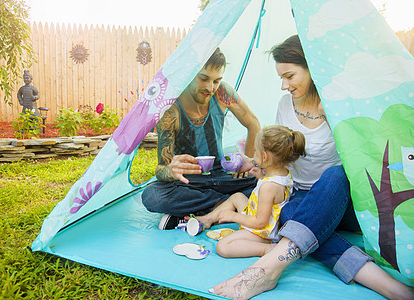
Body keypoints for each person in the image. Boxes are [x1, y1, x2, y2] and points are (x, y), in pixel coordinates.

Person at [209, 35, 414, 300]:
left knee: (336, 174)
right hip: (301, 200)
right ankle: (395, 290)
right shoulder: (285, 106)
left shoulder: (337, 106)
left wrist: (336, 117)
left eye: (290, 76)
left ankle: (270, 266)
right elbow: (283, 155)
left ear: (312, 69)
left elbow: (365, 154)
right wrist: (259, 164)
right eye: (281, 78)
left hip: (345, 200)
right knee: (292, 213)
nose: (284, 85)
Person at [141, 47, 261, 230]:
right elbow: (161, 168)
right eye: (203, 78)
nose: (210, 87)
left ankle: (202, 211)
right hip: (191, 183)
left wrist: (247, 165)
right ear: (189, 74)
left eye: (216, 80)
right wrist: (171, 171)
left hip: (224, 176)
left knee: (265, 181)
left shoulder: (223, 93)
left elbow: (253, 124)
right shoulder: (170, 109)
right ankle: (229, 205)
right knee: (152, 195)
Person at [197, 125, 306, 259]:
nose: (253, 155)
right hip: (256, 214)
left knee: (223, 246)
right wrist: (260, 176)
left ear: (264, 156)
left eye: (255, 151)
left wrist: (233, 216)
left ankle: (266, 248)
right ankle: (208, 219)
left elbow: (260, 222)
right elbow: (273, 197)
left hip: (261, 232)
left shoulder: (269, 186)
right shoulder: (282, 174)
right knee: (237, 197)